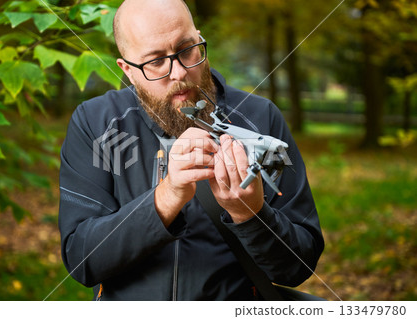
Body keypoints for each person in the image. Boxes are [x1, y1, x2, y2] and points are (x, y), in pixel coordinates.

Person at [58, 0, 324, 300]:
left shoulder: (261, 119)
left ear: (199, 40)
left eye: (186, 50)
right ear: (127, 70)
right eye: (155, 61)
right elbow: (81, 260)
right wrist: (167, 197)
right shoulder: (95, 123)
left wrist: (250, 214)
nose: (179, 73)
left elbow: (299, 267)